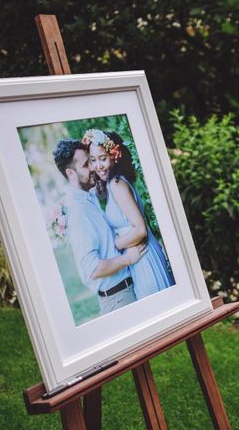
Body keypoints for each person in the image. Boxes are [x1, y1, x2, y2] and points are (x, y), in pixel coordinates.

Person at [53, 139, 147, 315]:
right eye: (86, 164)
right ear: (70, 173)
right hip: (119, 298)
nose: (93, 167)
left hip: (123, 291)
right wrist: (128, 259)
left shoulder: (85, 196)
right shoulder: (79, 210)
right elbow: (93, 269)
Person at [83, 129, 175, 300]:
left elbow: (140, 230)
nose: (98, 166)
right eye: (93, 160)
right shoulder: (113, 183)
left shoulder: (116, 184)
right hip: (139, 257)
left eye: (103, 158)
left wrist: (115, 244)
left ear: (114, 155)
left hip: (144, 257)